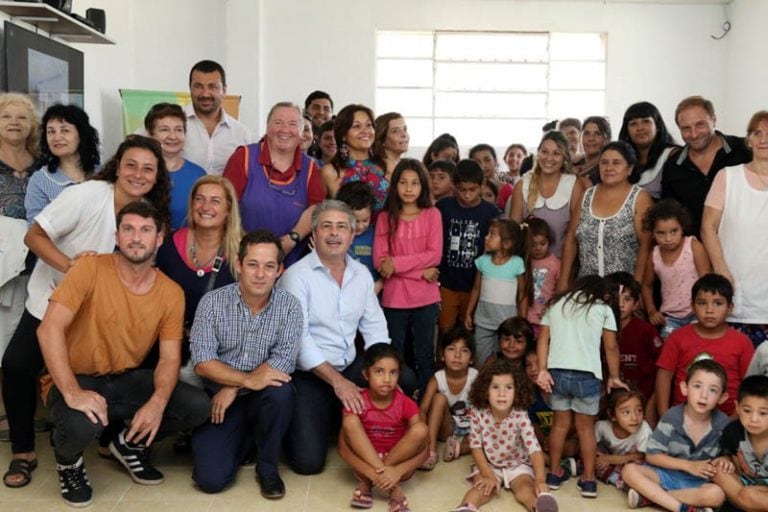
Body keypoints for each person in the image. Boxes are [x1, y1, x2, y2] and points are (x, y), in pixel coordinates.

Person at [2, 135, 171, 489]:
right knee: (18, 365)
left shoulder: (149, 209)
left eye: (148, 169)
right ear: (116, 166)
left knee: (115, 368)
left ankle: (113, 441)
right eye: (131, 165)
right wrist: (71, 269)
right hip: (54, 297)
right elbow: (33, 237)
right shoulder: (87, 195)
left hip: (102, 312)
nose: (138, 174)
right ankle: (23, 451)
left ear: (157, 176)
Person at [36, 202, 210, 507]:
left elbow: (170, 358)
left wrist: (157, 403)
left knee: (197, 405)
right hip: (75, 378)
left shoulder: (171, 292)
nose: (136, 238)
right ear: (117, 236)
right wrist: (73, 393)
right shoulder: (89, 269)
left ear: (159, 238)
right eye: (128, 229)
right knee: (81, 423)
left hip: (125, 379)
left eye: (145, 230)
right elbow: (48, 329)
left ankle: (128, 444)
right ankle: (68, 463)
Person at [278, 200, 414, 475]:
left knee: (405, 377)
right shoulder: (296, 277)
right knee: (308, 463)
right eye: (326, 226)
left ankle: (351, 419)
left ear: (353, 235)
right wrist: (338, 383)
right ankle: (330, 418)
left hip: (351, 367)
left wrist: (383, 373)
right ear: (314, 235)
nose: (334, 233)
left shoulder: (361, 274)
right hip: (309, 375)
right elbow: (299, 341)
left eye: (342, 227)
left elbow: (375, 328)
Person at [189, 230, 302, 498]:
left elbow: (283, 363)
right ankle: (245, 440)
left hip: (259, 396)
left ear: (280, 270)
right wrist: (245, 380)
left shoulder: (289, 307)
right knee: (210, 480)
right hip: (219, 402)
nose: (260, 274)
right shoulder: (212, 303)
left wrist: (234, 386)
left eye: (269, 266)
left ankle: (267, 467)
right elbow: (202, 362)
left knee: (281, 391)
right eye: (252, 264)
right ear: (239, 265)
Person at [536, 275, 626, 498]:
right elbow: (611, 346)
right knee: (586, 429)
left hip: (557, 373)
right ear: (601, 292)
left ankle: (554, 474)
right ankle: (588, 480)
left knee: (559, 426)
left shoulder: (556, 304)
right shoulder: (602, 308)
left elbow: (542, 339)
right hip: (587, 375)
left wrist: (542, 369)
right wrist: (614, 376)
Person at [154, 175, 242, 386]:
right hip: (175, 348)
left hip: (225, 354)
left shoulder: (243, 252)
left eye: (215, 201)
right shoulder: (169, 246)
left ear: (228, 209)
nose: (206, 206)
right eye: (200, 199)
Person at [621, 359, 731, 512]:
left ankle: (652, 498)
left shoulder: (723, 424)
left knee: (717, 495)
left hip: (697, 482)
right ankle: (681, 508)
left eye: (713, 390)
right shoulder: (672, 418)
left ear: (722, 397)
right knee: (629, 471)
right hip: (666, 475)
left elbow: (728, 455)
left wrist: (725, 460)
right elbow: (652, 456)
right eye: (697, 386)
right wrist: (688, 465)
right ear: (684, 388)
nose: (704, 395)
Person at [223, 101, 324, 267]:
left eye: (293, 124)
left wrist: (292, 239)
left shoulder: (311, 167)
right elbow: (226, 205)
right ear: (267, 127)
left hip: (293, 264)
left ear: (301, 133)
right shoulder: (244, 157)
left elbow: (316, 209)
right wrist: (250, 247)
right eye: (278, 123)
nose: (285, 130)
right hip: (243, 258)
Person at [452, 359, 559, 512]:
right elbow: (475, 447)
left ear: (517, 391)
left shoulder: (520, 414)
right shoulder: (477, 412)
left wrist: (540, 480)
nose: (502, 393)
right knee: (482, 488)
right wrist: (488, 475)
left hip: (517, 465)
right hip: (489, 465)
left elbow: (534, 450)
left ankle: (539, 508)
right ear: (485, 390)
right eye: (495, 387)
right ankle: (466, 508)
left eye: (508, 387)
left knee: (525, 489)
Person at [374, 159, 442, 394]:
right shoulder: (385, 217)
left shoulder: (433, 214)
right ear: (395, 185)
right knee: (394, 355)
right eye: (403, 182)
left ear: (423, 186)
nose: (409, 188)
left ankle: (425, 404)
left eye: (415, 183)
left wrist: (398, 265)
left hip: (425, 298)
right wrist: (420, 272)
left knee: (425, 355)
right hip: (394, 299)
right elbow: (380, 262)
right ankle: (394, 403)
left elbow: (434, 255)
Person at [701, 111, 768, 347]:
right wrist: (721, 270)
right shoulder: (728, 176)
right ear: (748, 140)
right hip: (737, 293)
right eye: (757, 133)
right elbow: (707, 227)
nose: (763, 139)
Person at [338, 343, 427, 512]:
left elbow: (425, 447)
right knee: (349, 421)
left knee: (421, 429)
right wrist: (370, 472)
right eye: (379, 372)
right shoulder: (357, 401)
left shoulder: (405, 403)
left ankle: (369, 484)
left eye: (393, 373)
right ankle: (394, 490)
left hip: (399, 468)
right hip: (365, 466)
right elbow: (343, 448)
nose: (387, 379)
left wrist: (398, 470)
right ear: (366, 374)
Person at [655, 274, 755, 418]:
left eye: (718, 303)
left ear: (730, 308)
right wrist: (665, 416)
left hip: (728, 420)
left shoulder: (742, 342)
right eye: (702, 303)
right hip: (682, 421)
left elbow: (749, 386)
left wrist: (732, 423)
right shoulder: (677, 338)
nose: (709, 310)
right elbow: (664, 377)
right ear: (692, 306)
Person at [559, 141, 653, 289]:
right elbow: (571, 240)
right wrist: (563, 282)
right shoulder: (586, 195)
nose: (609, 168)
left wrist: (637, 289)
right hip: (587, 290)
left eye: (616, 163)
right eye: (604, 163)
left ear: (629, 168)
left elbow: (646, 247)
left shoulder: (640, 198)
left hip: (623, 293)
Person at [662, 96, 752, 237]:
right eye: (686, 128)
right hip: (697, 253)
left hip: (746, 246)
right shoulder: (673, 166)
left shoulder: (745, 150)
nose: (694, 134)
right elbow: (669, 217)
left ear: (714, 120)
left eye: (700, 125)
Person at [436, 160, 500, 335]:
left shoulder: (491, 212)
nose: (467, 195)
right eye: (462, 190)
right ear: (454, 186)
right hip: (447, 281)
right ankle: (442, 360)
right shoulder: (444, 207)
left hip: (476, 283)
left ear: (481, 185)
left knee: (469, 327)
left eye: (472, 190)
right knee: (445, 328)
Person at [0, 93, 41, 363]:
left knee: (27, 341)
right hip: (2, 265)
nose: (14, 122)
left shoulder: (43, 164)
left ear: (32, 125)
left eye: (22, 117)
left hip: (38, 263)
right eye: (6, 116)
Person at [641, 199, 710, 339]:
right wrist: (651, 311)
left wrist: (705, 310)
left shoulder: (693, 246)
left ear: (682, 227)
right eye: (661, 233)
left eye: (674, 231)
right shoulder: (654, 255)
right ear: (653, 233)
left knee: (697, 350)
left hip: (696, 314)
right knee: (670, 349)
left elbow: (706, 281)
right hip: (670, 317)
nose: (668, 238)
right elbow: (646, 285)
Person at [465, 219, 530, 366]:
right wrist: (469, 312)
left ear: (506, 243)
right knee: (481, 361)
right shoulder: (482, 261)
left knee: (505, 361)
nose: (486, 237)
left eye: (492, 235)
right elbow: (476, 289)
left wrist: (522, 321)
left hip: (507, 324)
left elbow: (522, 294)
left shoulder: (516, 263)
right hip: (483, 321)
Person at [509, 130, 584, 258]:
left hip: (560, 268)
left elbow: (574, 239)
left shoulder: (573, 185)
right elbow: (512, 234)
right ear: (538, 154)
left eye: (556, 153)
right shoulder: (522, 185)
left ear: (564, 158)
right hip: (526, 270)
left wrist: (565, 276)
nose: (549, 158)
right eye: (544, 152)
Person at [24, 104, 100, 224]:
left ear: (81, 134)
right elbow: (35, 230)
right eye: (51, 132)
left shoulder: (103, 174)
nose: (57, 137)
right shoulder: (40, 180)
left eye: (65, 130)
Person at [607, 272, 663, 425]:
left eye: (628, 299)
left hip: (644, 403)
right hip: (611, 406)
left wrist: (652, 406)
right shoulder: (599, 331)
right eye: (615, 298)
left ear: (637, 303)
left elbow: (662, 370)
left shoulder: (645, 331)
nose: (620, 305)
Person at [419, 327, 478, 470]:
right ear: (442, 356)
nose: (457, 355)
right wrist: (420, 432)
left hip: (472, 429)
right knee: (439, 398)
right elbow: (423, 409)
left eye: (464, 351)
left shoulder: (476, 376)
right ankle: (431, 451)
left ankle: (459, 448)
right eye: (451, 349)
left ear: (471, 359)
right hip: (448, 429)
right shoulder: (437, 378)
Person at [183, 60, 253, 175]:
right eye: (198, 86)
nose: (205, 94)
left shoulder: (242, 134)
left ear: (224, 90)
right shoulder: (171, 124)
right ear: (190, 88)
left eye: (213, 87)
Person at [145, 102, 206, 230]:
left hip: (185, 246)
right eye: (164, 130)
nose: (173, 136)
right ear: (151, 134)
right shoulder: (140, 174)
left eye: (178, 130)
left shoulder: (198, 175)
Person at [712, 375, 768, 512]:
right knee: (716, 470)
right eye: (747, 411)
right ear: (737, 407)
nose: (754, 419)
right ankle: (747, 504)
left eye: (763, 413)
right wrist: (724, 461)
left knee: (750, 495)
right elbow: (728, 456)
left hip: (761, 494)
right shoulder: (733, 431)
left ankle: (745, 504)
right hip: (743, 486)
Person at [321, 104, 389, 214]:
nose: (365, 131)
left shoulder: (385, 165)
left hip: (384, 230)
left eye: (369, 125)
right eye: (357, 126)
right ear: (343, 134)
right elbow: (320, 212)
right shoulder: (331, 171)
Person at [594, 388, 653, 490]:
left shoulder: (644, 430)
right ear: (612, 415)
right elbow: (589, 448)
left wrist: (610, 459)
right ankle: (620, 481)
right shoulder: (601, 427)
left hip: (630, 464)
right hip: (610, 460)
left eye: (639, 410)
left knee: (641, 468)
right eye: (626, 412)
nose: (634, 417)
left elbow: (641, 457)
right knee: (593, 460)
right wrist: (600, 459)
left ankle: (629, 485)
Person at [617, 101, 678, 199]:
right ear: (627, 131)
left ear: (657, 126)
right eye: (633, 124)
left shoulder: (673, 155)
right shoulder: (623, 160)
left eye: (645, 121)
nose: (640, 128)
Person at [336, 181, 381, 291]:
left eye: (365, 220)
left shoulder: (377, 235)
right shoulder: (335, 235)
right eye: (355, 221)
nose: (360, 226)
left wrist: (379, 285)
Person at [525, 217, 560, 333]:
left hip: (544, 319)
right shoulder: (523, 261)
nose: (538, 248)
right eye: (533, 245)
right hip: (524, 317)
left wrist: (550, 307)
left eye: (542, 243)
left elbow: (559, 291)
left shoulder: (555, 264)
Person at [469, 143, 513, 211]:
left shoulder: (508, 190)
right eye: (478, 162)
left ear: (495, 161)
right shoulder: (466, 189)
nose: (483, 165)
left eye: (487, 160)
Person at [574, 116, 611, 186]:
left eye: (597, 134)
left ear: (607, 140)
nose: (591, 138)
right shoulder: (575, 165)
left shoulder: (606, 170)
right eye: (587, 133)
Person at [373, 112, 409, 181]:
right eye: (395, 131)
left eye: (405, 129)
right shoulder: (377, 171)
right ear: (382, 140)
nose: (404, 134)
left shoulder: (408, 166)